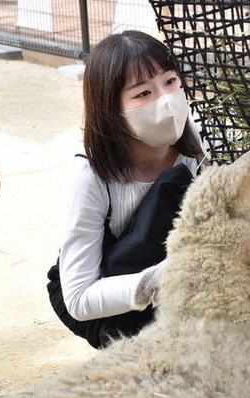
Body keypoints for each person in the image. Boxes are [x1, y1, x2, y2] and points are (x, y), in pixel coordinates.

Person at [49, 30, 207, 349]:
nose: (165, 99)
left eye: (170, 81)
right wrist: (165, 279)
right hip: (112, 299)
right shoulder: (92, 177)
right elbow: (78, 299)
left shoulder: (203, 144)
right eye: (143, 93)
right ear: (111, 110)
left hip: (180, 278)